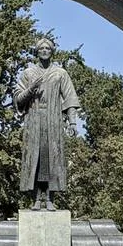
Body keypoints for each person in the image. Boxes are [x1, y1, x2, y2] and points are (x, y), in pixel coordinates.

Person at [13, 38, 80, 211]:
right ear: (37, 51)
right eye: (41, 48)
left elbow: (70, 98)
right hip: (34, 120)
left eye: (47, 48)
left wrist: (72, 122)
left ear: (52, 51)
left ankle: (50, 198)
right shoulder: (28, 73)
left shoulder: (60, 73)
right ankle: (36, 198)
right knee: (35, 159)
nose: (44, 50)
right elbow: (18, 99)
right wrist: (30, 89)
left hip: (53, 121)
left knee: (52, 159)